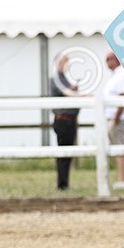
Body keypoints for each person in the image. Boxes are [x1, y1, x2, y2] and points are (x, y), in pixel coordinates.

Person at [103, 51, 124, 190]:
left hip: (118, 119)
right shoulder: (116, 76)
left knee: (121, 149)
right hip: (114, 117)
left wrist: (115, 119)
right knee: (118, 150)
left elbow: (122, 98)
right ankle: (122, 179)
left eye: (108, 59)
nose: (106, 63)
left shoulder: (121, 76)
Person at [49, 53, 79, 191]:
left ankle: (64, 183)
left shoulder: (63, 79)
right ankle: (62, 184)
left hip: (69, 120)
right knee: (64, 152)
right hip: (64, 121)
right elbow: (67, 93)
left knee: (67, 153)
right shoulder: (57, 79)